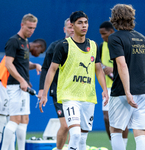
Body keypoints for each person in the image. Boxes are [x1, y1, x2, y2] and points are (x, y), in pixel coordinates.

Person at [39, 11, 109, 150]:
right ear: (72, 25)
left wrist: (105, 90)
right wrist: (44, 93)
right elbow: (51, 70)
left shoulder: (94, 45)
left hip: (88, 97)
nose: (84, 26)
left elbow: (98, 70)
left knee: (82, 140)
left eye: (86, 22)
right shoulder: (63, 46)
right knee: (75, 135)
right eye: (80, 23)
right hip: (69, 96)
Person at [107, 4, 145, 150]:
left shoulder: (114, 38)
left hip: (122, 92)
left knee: (115, 130)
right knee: (140, 133)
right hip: (143, 92)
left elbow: (122, 65)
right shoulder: (143, 38)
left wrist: (128, 91)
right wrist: (138, 82)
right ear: (131, 17)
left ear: (114, 19)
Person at [1, 13, 41, 150]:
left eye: (34, 28)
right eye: (29, 27)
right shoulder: (13, 41)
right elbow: (9, 64)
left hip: (23, 87)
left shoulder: (25, 43)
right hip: (14, 86)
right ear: (22, 25)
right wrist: (21, 80)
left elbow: (23, 63)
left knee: (25, 120)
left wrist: (35, 65)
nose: (31, 31)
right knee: (15, 120)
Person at [37, 18, 74, 150]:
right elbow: (46, 68)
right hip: (59, 91)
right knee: (65, 126)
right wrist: (42, 89)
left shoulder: (84, 46)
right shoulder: (56, 46)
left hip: (77, 91)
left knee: (75, 127)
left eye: (74, 26)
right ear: (65, 29)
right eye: (70, 27)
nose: (72, 29)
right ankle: (59, 149)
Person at [99, 21, 129, 147]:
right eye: (100, 34)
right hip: (108, 88)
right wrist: (102, 68)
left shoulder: (121, 42)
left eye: (104, 34)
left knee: (122, 119)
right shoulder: (101, 46)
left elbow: (126, 64)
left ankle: (124, 146)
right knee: (107, 118)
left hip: (121, 86)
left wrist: (112, 70)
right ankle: (115, 146)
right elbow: (98, 63)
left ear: (112, 31)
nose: (102, 36)